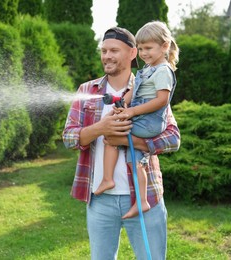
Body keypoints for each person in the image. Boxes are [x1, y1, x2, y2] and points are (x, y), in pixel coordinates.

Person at [62, 26, 180, 260]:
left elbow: (173, 138)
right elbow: (68, 137)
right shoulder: (87, 90)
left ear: (133, 53)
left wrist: (132, 141)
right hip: (100, 200)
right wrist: (101, 129)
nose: (107, 56)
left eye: (114, 50)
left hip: (146, 197)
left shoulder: (149, 87)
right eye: (104, 50)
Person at [94, 21, 179, 219]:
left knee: (111, 133)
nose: (143, 53)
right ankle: (142, 201)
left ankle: (107, 179)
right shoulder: (148, 70)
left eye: (148, 48)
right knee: (136, 161)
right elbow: (133, 91)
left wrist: (131, 112)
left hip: (149, 122)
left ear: (165, 46)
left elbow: (162, 100)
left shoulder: (163, 71)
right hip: (142, 118)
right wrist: (122, 103)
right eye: (140, 48)